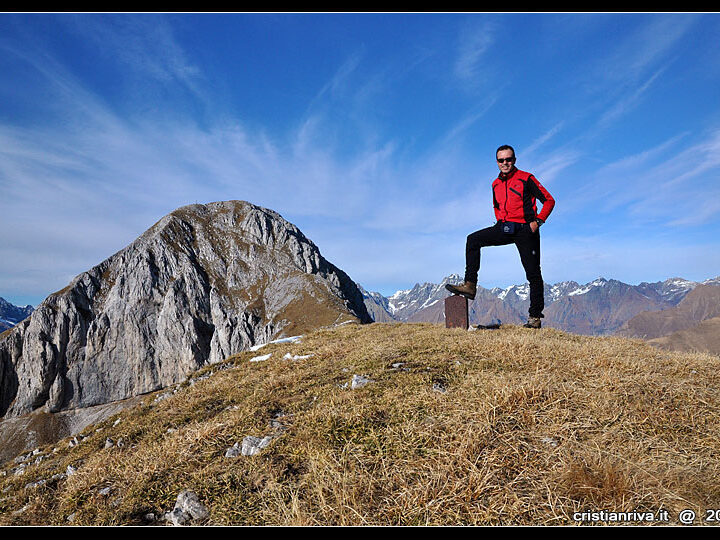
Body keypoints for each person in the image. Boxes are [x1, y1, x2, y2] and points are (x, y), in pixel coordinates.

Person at [445, 145, 555, 329]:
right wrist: (499, 222)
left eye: (508, 159)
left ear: (514, 160)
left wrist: (538, 222)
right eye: (501, 160)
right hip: (504, 227)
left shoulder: (526, 178)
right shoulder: (495, 184)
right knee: (473, 239)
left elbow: (549, 200)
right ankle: (470, 285)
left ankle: (534, 318)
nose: (505, 163)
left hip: (526, 230)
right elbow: (496, 205)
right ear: (497, 162)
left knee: (533, 274)